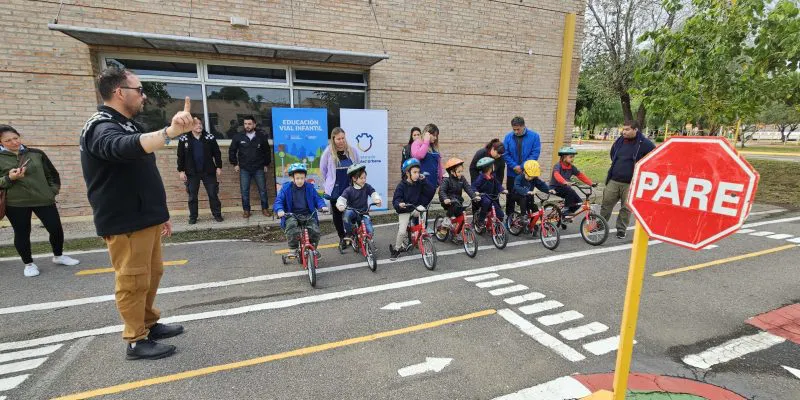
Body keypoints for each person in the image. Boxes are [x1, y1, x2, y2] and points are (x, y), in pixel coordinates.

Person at [80, 67, 188, 360]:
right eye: (139, 90)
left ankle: (149, 323)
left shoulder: (128, 123)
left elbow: (143, 170)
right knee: (132, 280)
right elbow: (119, 147)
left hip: (146, 216)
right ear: (119, 93)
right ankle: (135, 339)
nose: (144, 96)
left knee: (151, 275)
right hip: (125, 219)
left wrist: (160, 213)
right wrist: (169, 133)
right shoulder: (100, 126)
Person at [0, 125, 79, 277]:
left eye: (15, 138)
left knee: (55, 228)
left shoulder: (36, 154)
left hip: (43, 199)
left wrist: (52, 191)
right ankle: (28, 264)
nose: (14, 142)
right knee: (22, 233)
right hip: (16, 203)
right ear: (1, 143)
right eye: (8, 140)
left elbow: (52, 174)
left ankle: (59, 256)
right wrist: (10, 178)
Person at [600, 120, 656, 239]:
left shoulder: (645, 144)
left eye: (627, 129)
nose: (623, 132)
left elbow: (654, 158)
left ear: (635, 130)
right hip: (614, 180)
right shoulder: (619, 141)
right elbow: (613, 155)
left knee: (626, 208)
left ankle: (621, 229)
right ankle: (600, 224)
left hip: (631, 183)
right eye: (623, 129)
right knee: (606, 204)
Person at [320, 127, 360, 250]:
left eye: (343, 138)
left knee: (352, 212)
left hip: (350, 187)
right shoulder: (328, 152)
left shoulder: (352, 151)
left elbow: (358, 166)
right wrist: (329, 182)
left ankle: (353, 234)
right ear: (333, 139)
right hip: (336, 189)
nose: (341, 141)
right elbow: (323, 170)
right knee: (337, 215)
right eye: (338, 139)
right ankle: (342, 237)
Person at [274, 163, 328, 255]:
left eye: (302, 178)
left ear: (305, 178)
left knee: (315, 230)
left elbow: (317, 198)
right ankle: (293, 248)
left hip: (308, 214)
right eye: (297, 178)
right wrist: (280, 210)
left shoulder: (309, 187)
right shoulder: (286, 188)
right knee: (292, 227)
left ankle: (313, 248)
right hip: (292, 214)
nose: (300, 181)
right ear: (292, 178)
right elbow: (279, 201)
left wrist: (322, 206)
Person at [177, 117, 224, 224]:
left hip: (208, 171)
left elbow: (217, 153)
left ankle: (217, 215)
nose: (199, 126)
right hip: (192, 173)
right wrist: (181, 171)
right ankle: (193, 217)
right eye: (196, 124)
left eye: (200, 123)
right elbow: (180, 156)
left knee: (213, 194)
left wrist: (219, 166)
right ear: (190, 126)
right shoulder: (184, 138)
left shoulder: (209, 137)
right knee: (192, 196)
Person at [390, 158, 435, 260]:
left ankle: (421, 231)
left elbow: (431, 191)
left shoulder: (419, 182)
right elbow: (396, 199)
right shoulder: (401, 185)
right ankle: (396, 249)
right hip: (405, 210)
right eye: (414, 172)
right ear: (407, 173)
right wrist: (399, 204)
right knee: (402, 232)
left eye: (418, 172)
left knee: (422, 209)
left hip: (414, 208)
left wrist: (425, 181)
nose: (417, 174)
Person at [229, 116, 272, 219]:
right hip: (244, 168)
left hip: (258, 168)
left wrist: (266, 164)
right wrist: (235, 164)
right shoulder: (238, 137)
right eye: (245, 124)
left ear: (254, 124)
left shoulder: (261, 136)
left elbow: (267, 151)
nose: (247, 126)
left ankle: (265, 209)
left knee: (262, 190)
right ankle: (246, 210)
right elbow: (232, 151)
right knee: (244, 191)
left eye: (249, 124)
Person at [503, 116, 541, 217]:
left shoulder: (534, 136)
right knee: (510, 197)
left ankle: (528, 218)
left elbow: (535, 153)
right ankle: (510, 219)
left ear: (523, 126)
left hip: (528, 174)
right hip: (512, 173)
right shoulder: (507, 137)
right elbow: (505, 154)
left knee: (528, 196)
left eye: (518, 129)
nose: (515, 131)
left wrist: (523, 166)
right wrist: (514, 166)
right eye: (514, 129)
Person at [336, 163, 382, 241]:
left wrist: (377, 200)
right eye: (361, 178)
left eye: (365, 178)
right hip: (352, 212)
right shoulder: (349, 190)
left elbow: (373, 193)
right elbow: (341, 199)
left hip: (364, 212)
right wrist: (340, 205)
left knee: (370, 231)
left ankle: (367, 242)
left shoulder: (367, 187)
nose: (364, 180)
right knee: (346, 215)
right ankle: (350, 233)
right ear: (354, 178)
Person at [438, 158, 479, 241]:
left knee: (462, 217)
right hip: (447, 201)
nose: (460, 174)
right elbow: (442, 191)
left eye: (461, 171)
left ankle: (455, 234)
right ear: (452, 172)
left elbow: (468, 188)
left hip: (457, 201)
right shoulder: (446, 179)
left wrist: (473, 196)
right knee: (453, 205)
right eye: (459, 172)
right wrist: (445, 198)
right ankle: (445, 224)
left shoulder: (462, 179)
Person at [550, 147, 596, 218]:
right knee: (570, 191)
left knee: (579, 202)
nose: (572, 159)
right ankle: (566, 209)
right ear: (564, 157)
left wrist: (591, 183)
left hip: (565, 188)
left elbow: (580, 175)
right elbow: (556, 175)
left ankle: (566, 216)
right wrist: (564, 182)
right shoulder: (558, 166)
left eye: (573, 157)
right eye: (571, 157)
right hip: (556, 187)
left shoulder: (571, 167)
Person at [513, 160, 554, 235]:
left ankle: (531, 226)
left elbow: (541, 185)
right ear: (525, 172)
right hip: (518, 196)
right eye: (529, 176)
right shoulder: (519, 178)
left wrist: (549, 190)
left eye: (533, 177)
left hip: (529, 197)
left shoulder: (534, 179)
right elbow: (517, 187)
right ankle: (523, 216)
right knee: (523, 198)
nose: (531, 178)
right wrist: (526, 191)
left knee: (535, 209)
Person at [472, 157, 507, 228]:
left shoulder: (492, 176)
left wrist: (502, 190)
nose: (493, 167)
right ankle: (480, 220)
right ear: (488, 168)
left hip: (491, 197)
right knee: (486, 202)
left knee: (500, 214)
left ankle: (497, 227)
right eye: (492, 165)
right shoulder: (481, 177)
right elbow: (473, 186)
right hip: (483, 197)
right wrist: (476, 192)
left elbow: (497, 184)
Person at [411, 123, 444, 189]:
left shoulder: (434, 148)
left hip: (432, 186)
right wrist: (426, 141)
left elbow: (439, 167)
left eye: (436, 135)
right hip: (420, 185)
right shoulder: (417, 143)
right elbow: (419, 156)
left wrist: (441, 182)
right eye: (434, 135)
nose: (435, 138)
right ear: (427, 134)